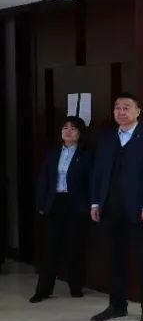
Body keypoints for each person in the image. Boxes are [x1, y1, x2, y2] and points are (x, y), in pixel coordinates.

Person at [89, 93, 143, 321]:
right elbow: (98, 172)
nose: (121, 112)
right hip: (110, 207)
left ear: (138, 111)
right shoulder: (107, 137)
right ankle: (117, 305)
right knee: (114, 257)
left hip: (140, 208)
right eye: (117, 108)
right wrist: (95, 202)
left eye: (126, 107)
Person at [31, 116, 94, 303]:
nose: (68, 131)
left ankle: (76, 287)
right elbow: (44, 180)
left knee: (75, 247)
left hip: (77, 205)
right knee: (51, 248)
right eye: (65, 127)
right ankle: (43, 290)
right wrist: (41, 204)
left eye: (73, 128)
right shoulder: (52, 153)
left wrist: (93, 204)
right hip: (55, 203)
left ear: (80, 133)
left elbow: (91, 182)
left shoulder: (87, 155)